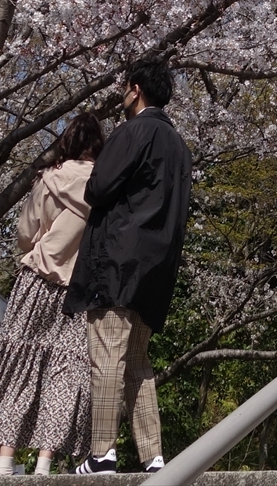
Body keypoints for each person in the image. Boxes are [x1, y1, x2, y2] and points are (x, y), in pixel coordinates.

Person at [64, 57, 193, 475]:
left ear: (135, 89)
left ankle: (101, 452)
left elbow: (98, 188)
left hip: (119, 260)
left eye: (125, 87)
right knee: (138, 362)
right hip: (157, 268)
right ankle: (153, 457)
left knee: (107, 355)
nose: (122, 94)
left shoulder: (132, 131)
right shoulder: (178, 146)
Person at [0, 113, 106, 475]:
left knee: (20, 360)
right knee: (66, 371)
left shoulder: (51, 178)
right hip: (79, 288)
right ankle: (44, 464)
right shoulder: (106, 187)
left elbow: (26, 232)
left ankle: (6, 460)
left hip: (38, 279)